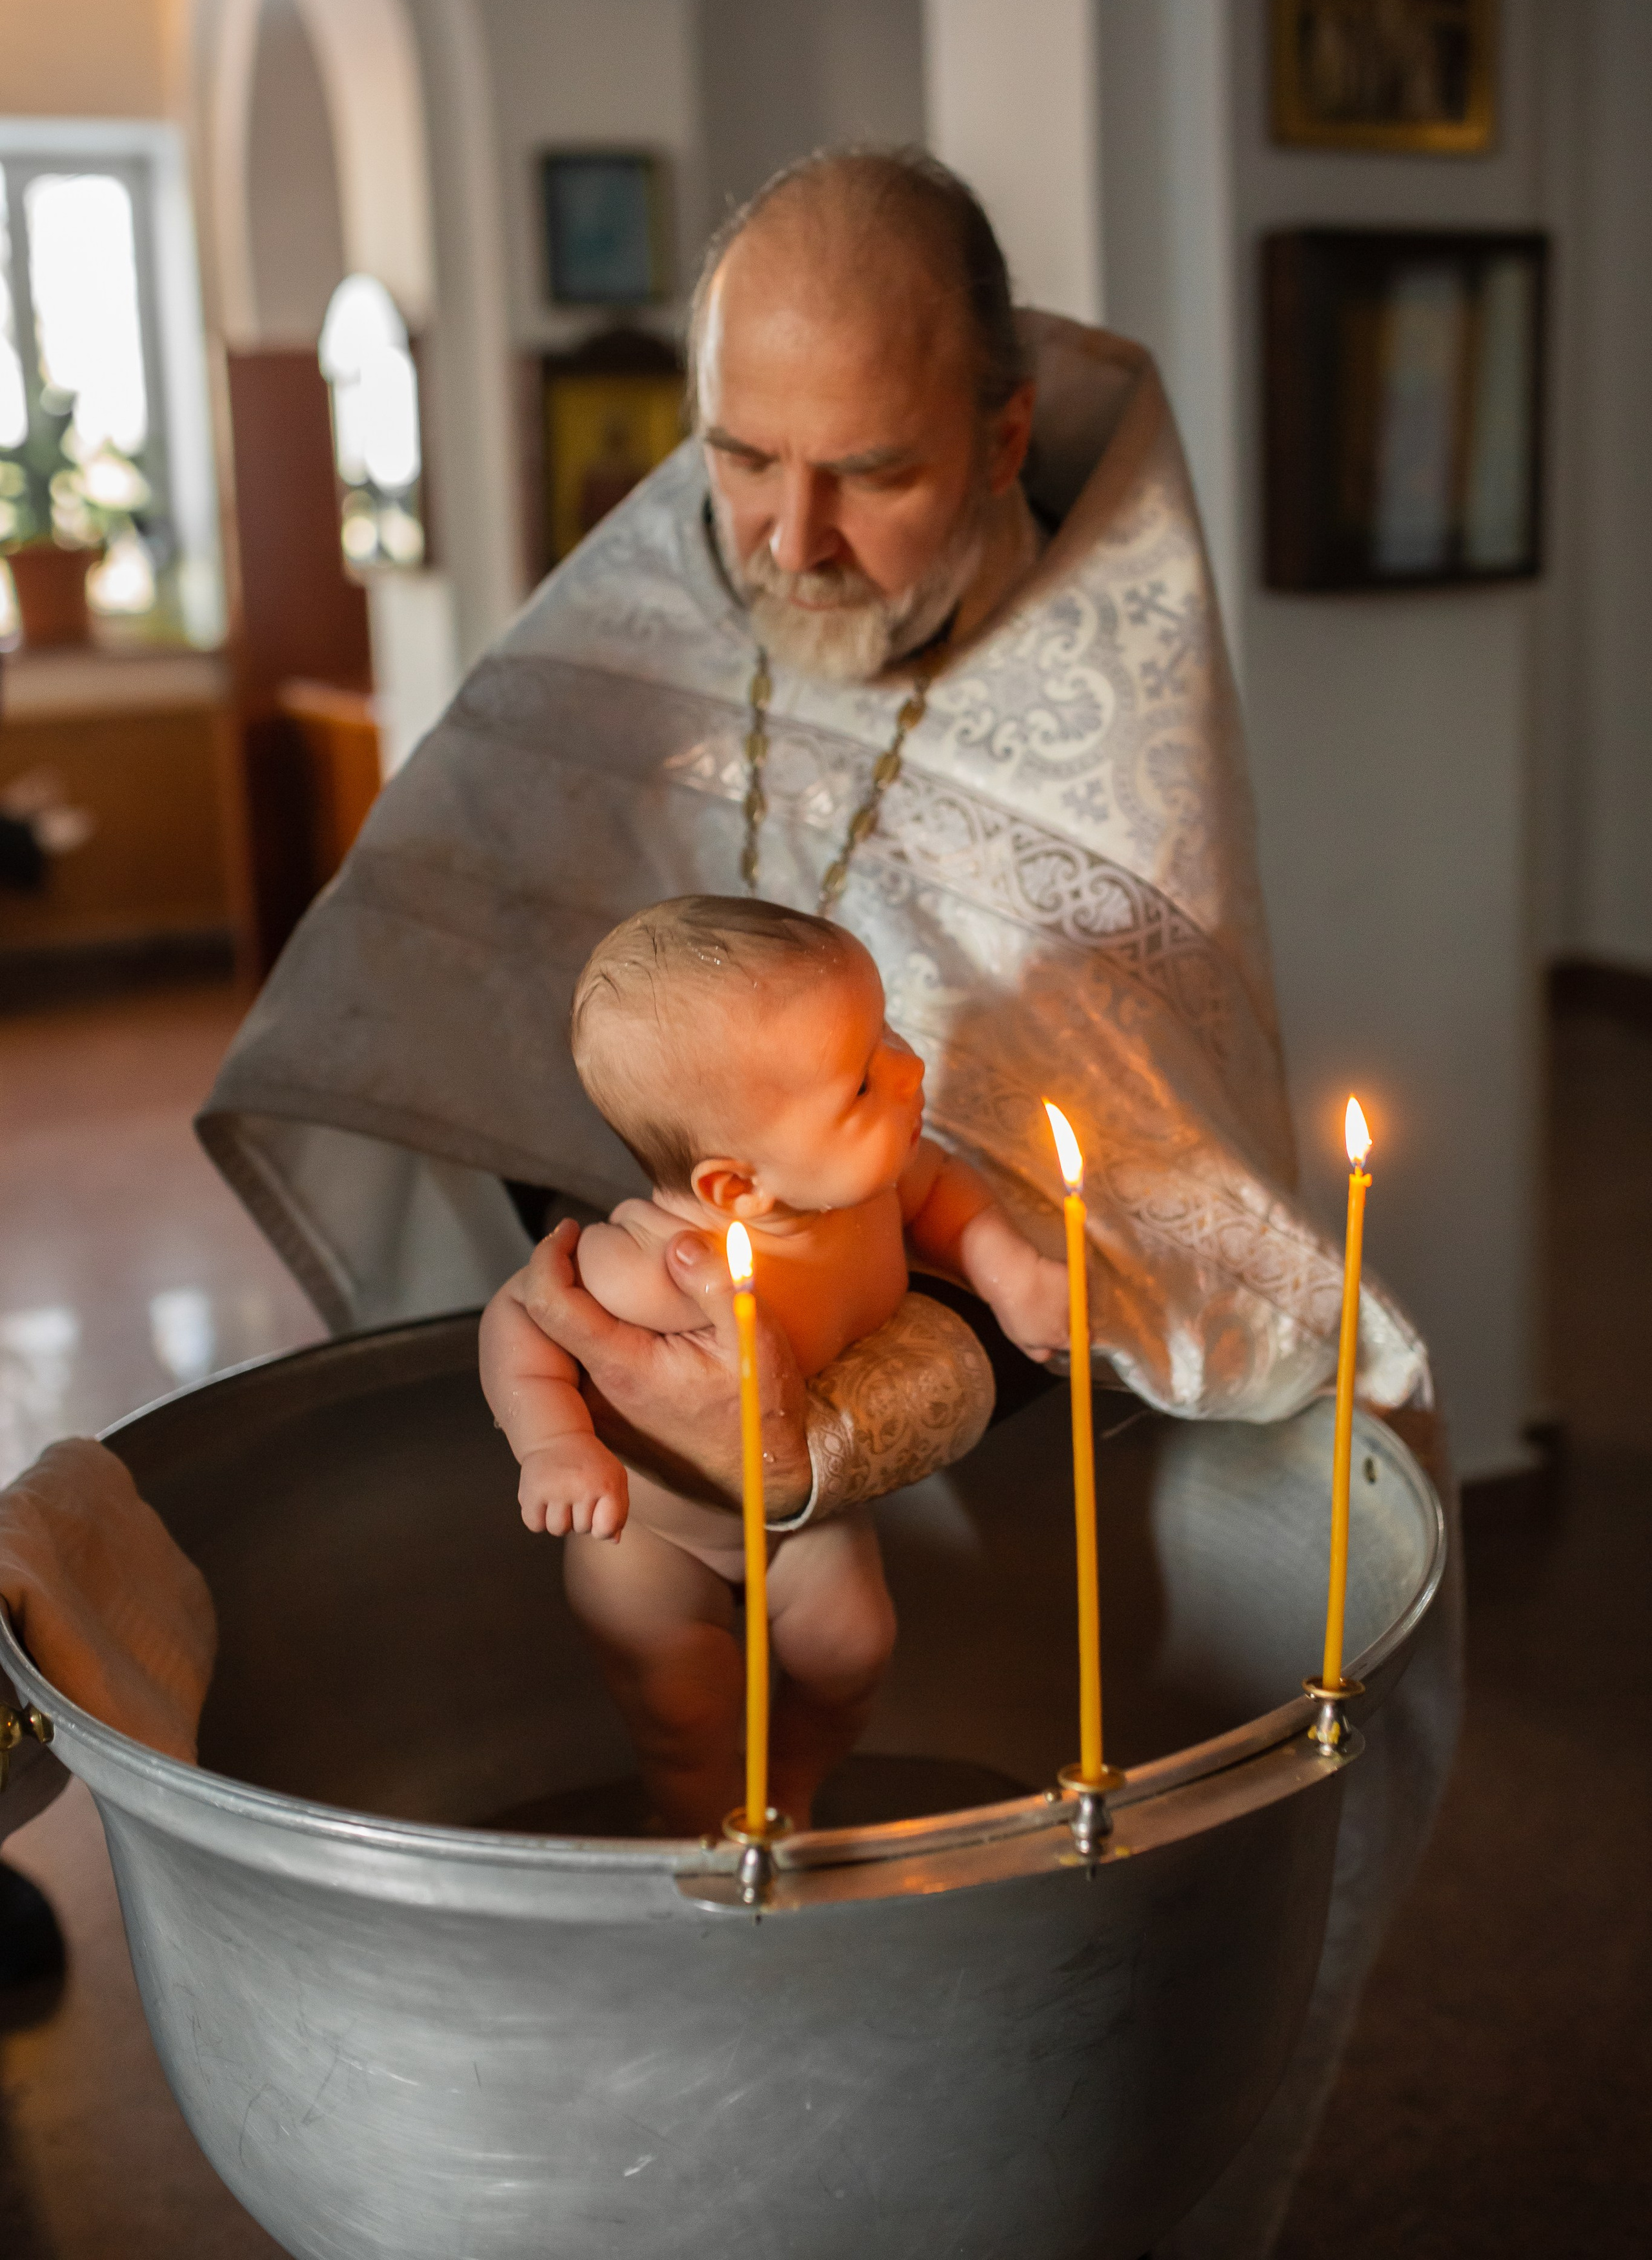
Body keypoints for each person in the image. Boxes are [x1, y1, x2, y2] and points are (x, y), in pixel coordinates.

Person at [199, 148, 1452, 2257]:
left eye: (866, 471)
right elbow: (466, 990)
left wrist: (930, 1317)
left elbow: (1129, 1150)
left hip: (994, 1452)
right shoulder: (641, 619)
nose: (780, 537)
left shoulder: (1108, 687)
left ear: (998, 432)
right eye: (738, 455)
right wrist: (630, 1319)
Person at [483, 893, 1069, 1829]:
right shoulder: (655, 1270)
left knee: (854, 1653)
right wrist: (552, 1443)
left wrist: (1013, 1276)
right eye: (863, 1084)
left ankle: (789, 1788)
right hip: (656, 1539)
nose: (911, 1068)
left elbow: (945, 1196)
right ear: (734, 1187)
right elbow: (521, 1315)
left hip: (800, 1517)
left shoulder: (866, 1185)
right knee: (686, 1711)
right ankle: (702, 1828)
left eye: (888, 1034)